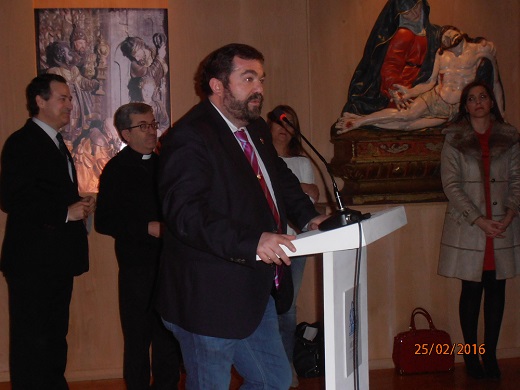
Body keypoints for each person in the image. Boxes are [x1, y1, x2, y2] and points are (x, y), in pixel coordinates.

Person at [157, 43, 328, 389]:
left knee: (274, 381)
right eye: (248, 78)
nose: (259, 89)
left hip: (252, 288)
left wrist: (310, 217)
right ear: (217, 86)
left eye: (261, 79)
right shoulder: (189, 136)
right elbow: (186, 214)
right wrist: (254, 240)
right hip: (206, 296)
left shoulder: (256, 130)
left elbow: (279, 178)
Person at [0, 73, 95, 389]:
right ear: (39, 101)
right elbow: (12, 198)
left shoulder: (56, 142)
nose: (70, 104)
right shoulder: (22, 142)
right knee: (32, 341)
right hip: (32, 262)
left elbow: (44, 193)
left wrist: (77, 205)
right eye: (63, 98)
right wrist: (65, 212)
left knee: (54, 337)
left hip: (55, 260)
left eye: (69, 98)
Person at [95, 103, 181, 389]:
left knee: (168, 339)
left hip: (168, 266)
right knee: (137, 341)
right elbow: (104, 222)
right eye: (142, 126)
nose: (151, 131)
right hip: (136, 269)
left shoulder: (165, 164)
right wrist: (146, 227)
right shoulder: (115, 170)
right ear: (125, 134)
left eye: (153, 124)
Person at [438, 81, 520, 380]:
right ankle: (472, 356)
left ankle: (491, 355)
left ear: (491, 102)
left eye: (482, 97)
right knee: (471, 291)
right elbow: (451, 184)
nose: (478, 103)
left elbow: (517, 177)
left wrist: (511, 213)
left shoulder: (509, 137)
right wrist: (478, 219)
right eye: (471, 99)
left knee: (497, 291)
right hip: (470, 228)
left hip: (502, 226)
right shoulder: (454, 139)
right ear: (465, 106)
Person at [336, 26, 504, 133]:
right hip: (437, 98)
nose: (448, 38)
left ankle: (360, 122)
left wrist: (502, 115)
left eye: (450, 34)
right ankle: (360, 120)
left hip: (454, 109)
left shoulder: (481, 50)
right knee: (406, 115)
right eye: (444, 38)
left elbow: (495, 83)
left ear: (459, 32)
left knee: (407, 125)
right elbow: (430, 82)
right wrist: (410, 92)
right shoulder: (442, 55)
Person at [267, 105, 319, 388]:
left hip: (297, 244)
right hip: (266, 243)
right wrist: (303, 189)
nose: (283, 130)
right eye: (279, 124)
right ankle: (268, 366)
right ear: (269, 126)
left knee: (287, 309)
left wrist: (302, 191)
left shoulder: (302, 161)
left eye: (289, 125)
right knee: (265, 308)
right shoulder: (262, 158)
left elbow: (307, 204)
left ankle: (287, 367)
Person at [340, 0, 441, 116]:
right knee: (404, 115)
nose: (415, 13)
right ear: (399, 14)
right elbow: (391, 65)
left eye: (416, 7)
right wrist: (397, 90)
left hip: (425, 81)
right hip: (406, 81)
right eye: (407, 12)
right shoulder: (404, 34)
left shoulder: (432, 33)